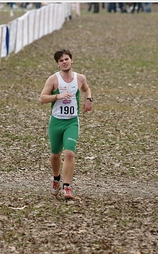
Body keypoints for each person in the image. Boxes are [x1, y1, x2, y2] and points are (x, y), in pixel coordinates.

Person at [39, 49, 93, 199]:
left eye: (67, 59)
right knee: (55, 155)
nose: (65, 62)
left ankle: (67, 187)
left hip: (71, 122)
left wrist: (89, 99)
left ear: (72, 60)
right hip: (56, 122)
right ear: (58, 64)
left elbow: (86, 89)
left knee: (69, 153)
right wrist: (57, 96)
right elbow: (42, 98)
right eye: (61, 61)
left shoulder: (80, 78)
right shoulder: (53, 80)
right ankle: (56, 179)